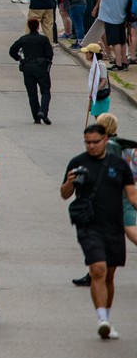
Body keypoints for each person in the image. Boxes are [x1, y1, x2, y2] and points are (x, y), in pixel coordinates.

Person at [61, 122, 137, 339]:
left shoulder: (120, 166)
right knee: (98, 270)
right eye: (87, 143)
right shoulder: (77, 163)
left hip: (113, 226)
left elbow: (132, 196)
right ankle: (101, 318)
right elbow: (65, 194)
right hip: (88, 226)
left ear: (106, 140)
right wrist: (68, 182)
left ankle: (108, 317)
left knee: (109, 275)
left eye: (95, 142)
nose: (91, 146)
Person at [9, 17, 55, 124]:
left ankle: (36, 117)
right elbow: (49, 54)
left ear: (28, 27)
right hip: (41, 67)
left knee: (32, 93)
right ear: (38, 27)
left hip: (28, 67)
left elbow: (12, 50)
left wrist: (19, 59)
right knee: (45, 91)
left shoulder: (24, 39)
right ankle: (43, 111)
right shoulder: (43, 39)